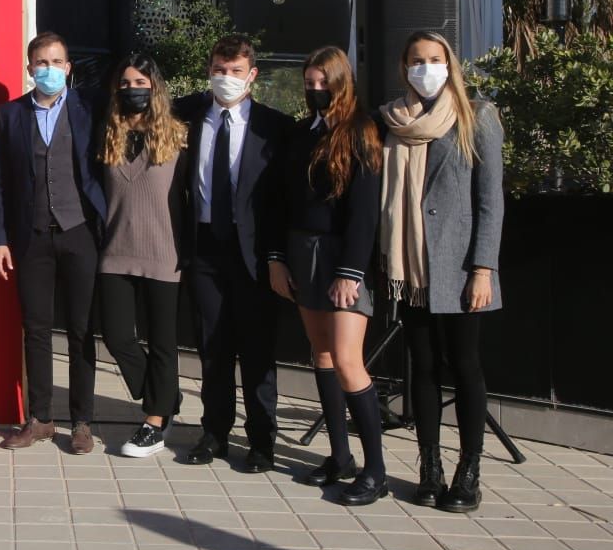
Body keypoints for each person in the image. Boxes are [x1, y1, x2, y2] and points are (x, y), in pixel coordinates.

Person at [380, 30, 503, 513]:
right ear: (403, 66)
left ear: (450, 63)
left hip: (461, 266)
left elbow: (490, 201)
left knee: (465, 367)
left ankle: (468, 470)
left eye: (434, 59)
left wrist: (483, 268)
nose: (425, 68)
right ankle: (428, 467)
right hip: (412, 268)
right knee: (424, 368)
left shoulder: (479, 115)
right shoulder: (393, 119)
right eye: (416, 60)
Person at [268, 47, 385, 505]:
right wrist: (278, 257)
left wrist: (350, 271)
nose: (316, 90)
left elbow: (364, 212)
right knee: (320, 355)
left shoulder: (362, 132)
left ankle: (376, 470)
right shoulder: (299, 135)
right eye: (310, 82)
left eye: (324, 83)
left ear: (342, 82)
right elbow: (279, 202)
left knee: (348, 359)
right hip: (301, 250)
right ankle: (340, 457)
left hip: (343, 257)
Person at [173, 34, 293, 472]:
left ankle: (262, 441)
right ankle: (215, 433)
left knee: (258, 351)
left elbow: (282, 200)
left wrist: (278, 256)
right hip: (204, 247)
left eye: (236, 71)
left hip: (255, 254)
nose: (226, 79)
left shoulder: (274, 127)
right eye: (219, 71)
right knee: (213, 347)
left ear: (252, 75)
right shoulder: (187, 115)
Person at [0, 32, 107, 454]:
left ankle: (81, 422)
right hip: (31, 236)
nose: (49, 70)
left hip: (79, 232)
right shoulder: (11, 116)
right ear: (29, 67)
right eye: (41, 62)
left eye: (56, 62)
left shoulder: (88, 109)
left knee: (80, 330)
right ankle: (39, 419)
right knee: (35, 330)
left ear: (68, 67)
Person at [95, 53, 188, 459]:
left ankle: (154, 422)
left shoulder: (179, 136)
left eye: (141, 83)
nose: (133, 90)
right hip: (115, 252)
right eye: (126, 83)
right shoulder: (106, 133)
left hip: (164, 255)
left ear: (156, 88)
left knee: (164, 343)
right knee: (117, 337)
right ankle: (164, 396)